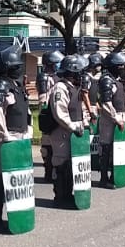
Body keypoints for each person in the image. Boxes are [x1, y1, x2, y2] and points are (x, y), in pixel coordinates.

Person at [0, 46, 33, 233]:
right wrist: (5, 135)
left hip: (21, 137)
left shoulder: (17, 86)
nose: (19, 68)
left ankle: (16, 217)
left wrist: (29, 130)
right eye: (15, 65)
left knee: (19, 180)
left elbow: (26, 111)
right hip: (6, 139)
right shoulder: (0, 85)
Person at [48, 56, 89, 207]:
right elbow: (60, 113)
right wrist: (73, 127)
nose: (83, 74)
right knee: (61, 163)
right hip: (62, 132)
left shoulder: (74, 87)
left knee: (72, 165)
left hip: (74, 132)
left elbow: (79, 109)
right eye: (80, 71)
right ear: (73, 71)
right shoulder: (60, 88)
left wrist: (84, 124)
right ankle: (60, 196)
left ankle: (69, 194)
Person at [96, 52, 125, 187]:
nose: (124, 68)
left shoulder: (118, 81)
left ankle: (117, 176)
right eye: (121, 65)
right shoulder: (106, 80)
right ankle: (104, 178)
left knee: (119, 149)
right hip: (109, 120)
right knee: (107, 148)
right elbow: (106, 103)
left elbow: (124, 101)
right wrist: (116, 118)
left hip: (120, 118)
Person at [36, 50, 64, 183]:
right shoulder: (43, 77)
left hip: (57, 112)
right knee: (47, 144)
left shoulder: (58, 77)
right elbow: (43, 99)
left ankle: (55, 170)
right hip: (47, 114)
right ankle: (48, 171)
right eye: (56, 63)